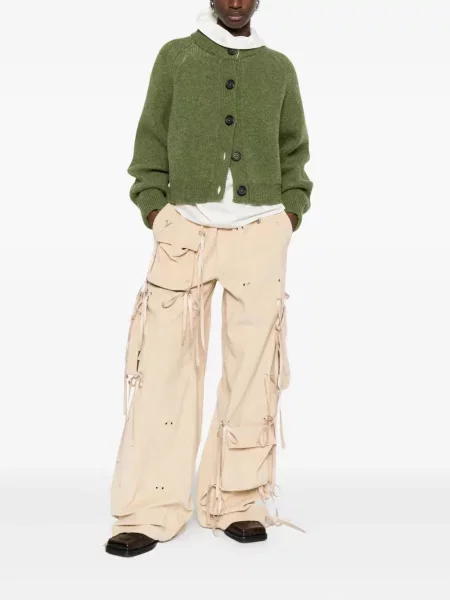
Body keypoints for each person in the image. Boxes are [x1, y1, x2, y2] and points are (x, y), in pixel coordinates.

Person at [105, 0, 313, 557]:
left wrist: (290, 214)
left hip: (260, 233)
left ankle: (236, 501)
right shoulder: (176, 58)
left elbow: (294, 149)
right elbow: (150, 139)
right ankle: (148, 509)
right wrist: (156, 209)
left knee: (253, 373)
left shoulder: (278, 67)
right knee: (163, 369)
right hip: (184, 233)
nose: (237, 3)